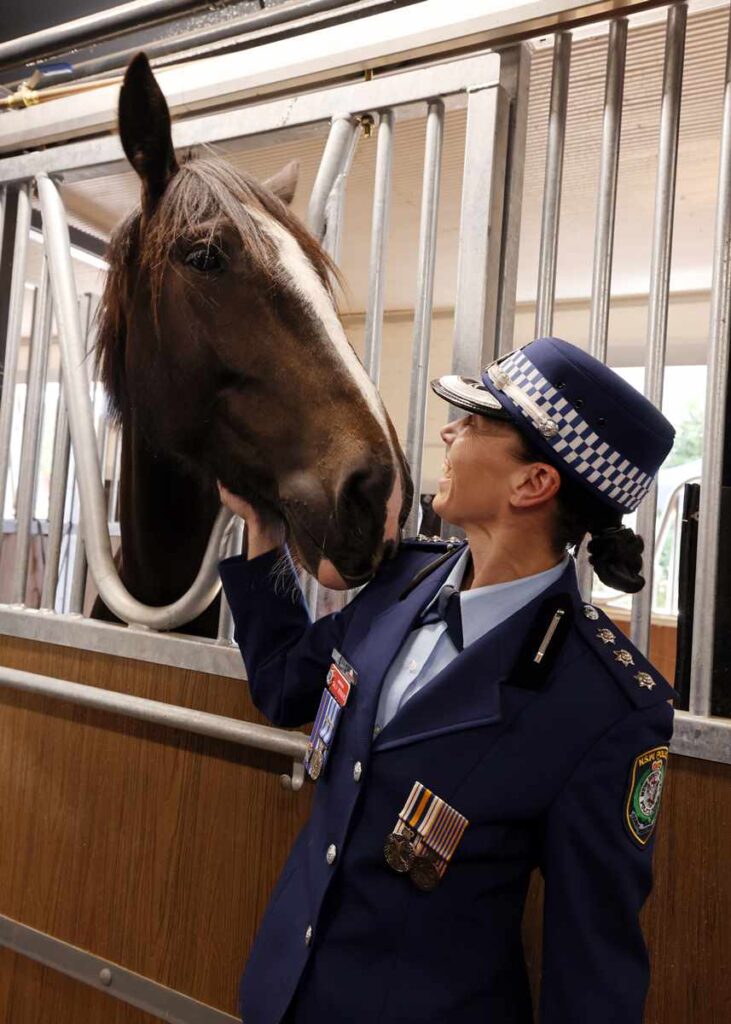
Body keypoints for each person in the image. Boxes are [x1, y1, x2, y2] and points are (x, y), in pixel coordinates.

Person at [218, 336, 677, 1024]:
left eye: (474, 423)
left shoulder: (604, 702)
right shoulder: (401, 579)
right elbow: (285, 686)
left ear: (532, 484)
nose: (447, 430)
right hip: (283, 995)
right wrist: (260, 525)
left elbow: (591, 961)